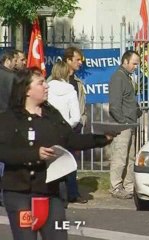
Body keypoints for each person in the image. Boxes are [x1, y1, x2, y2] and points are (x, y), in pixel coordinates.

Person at [0, 67, 113, 240]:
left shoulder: (51, 114)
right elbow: (4, 152)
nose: (46, 86)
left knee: (58, 235)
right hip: (20, 194)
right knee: (26, 236)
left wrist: (101, 139)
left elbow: (70, 140)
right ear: (27, 90)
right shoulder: (9, 118)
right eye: (41, 83)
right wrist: (34, 154)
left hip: (50, 192)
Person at [109, 50, 141, 199]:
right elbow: (114, 105)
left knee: (131, 158)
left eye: (137, 64)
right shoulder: (118, 78)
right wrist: (123, 122)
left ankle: (129, 187)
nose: (136, 67)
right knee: (120, 157)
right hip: (123, 125)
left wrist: (137, 111)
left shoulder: (127, 78)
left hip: (131, 123)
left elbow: (129, 100)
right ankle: (115, 187)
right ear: (125, 61)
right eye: (134, 63)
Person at [61, 46, 87, 204]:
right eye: (77, 60)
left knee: (72, 160)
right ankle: (59, 193)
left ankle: (73, 193)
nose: (80, 63)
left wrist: (82, 120)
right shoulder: (55, 81)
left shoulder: (78, 82)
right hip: (60, 128)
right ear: (68, 60)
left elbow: (81, 105)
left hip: (75, 128)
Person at [48, 61, 80, 128]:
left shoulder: (46, 89)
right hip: (64, 130)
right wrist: (65, 126)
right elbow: (76, 118)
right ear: (67, 73)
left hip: (48, 128)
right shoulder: (71, 91)